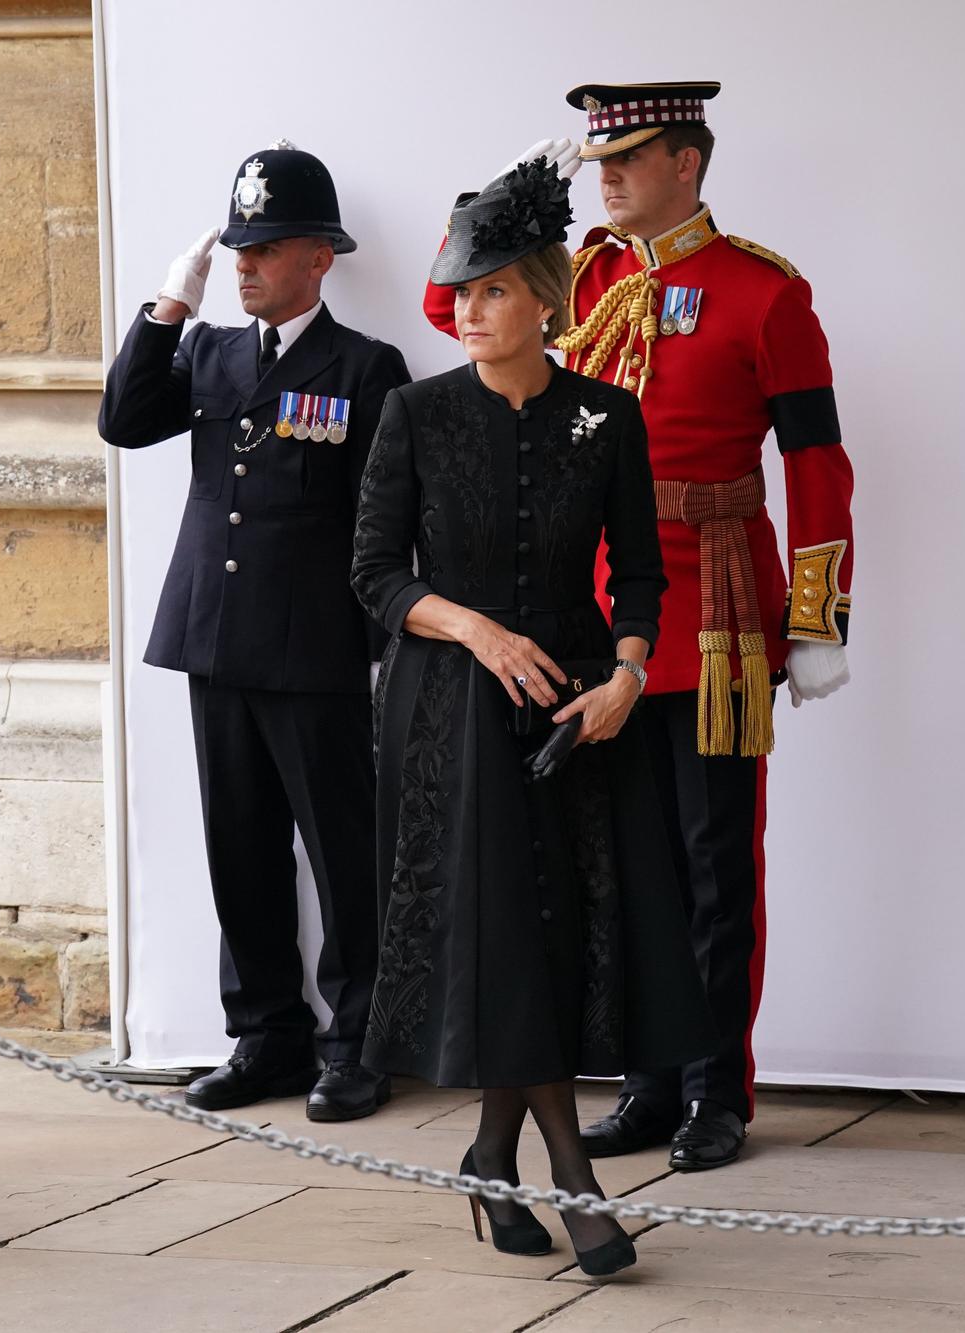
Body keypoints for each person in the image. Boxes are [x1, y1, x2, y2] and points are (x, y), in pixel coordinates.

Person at [424, 84, 857, 1172]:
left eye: (628, 157)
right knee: (624, 869)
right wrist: (502, 203)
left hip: (712, 615)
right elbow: (451, 308)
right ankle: (651, 1081)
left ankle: (718, 1087)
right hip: (601, 612)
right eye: (595, 161)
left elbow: (815, 462)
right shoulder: (588, 282)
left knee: (714, 867)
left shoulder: (763, 293)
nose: (604, 175)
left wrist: (815, 614)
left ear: (687, 165)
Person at [353, 160, 712, 1276]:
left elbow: (641, 580)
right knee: (506, 935)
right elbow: (372, 575)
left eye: (492, 292)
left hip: (572, 719)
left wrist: (623, 675)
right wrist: (472, 629)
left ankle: (489, 1161)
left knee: (545, 944)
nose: (468, 313)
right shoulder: (414, 413)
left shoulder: (608, 416)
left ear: (544, 301)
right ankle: (574, 1182)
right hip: (449, 720)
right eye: (459, 295)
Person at [97, 144, 409, 1121]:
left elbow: (386, 514)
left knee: (342, 852)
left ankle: (357, 1039)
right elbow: (122, 420)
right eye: (236, 246)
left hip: (312, 643)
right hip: (214, 636)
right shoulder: (208, 352)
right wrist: (165, 311)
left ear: (318, 257)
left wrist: (379, 636)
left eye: (265, 248)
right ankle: (266, 1033)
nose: (243, 265)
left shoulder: (364, 366)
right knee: (239, 845)